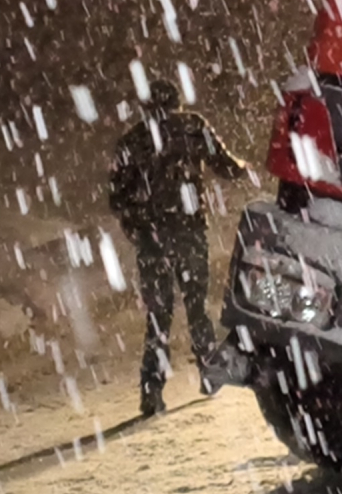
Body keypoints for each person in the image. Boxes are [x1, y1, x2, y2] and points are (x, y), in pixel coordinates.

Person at [107, 76, 249, 417]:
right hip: (188, 231)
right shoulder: (191, 127)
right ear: (176, 102)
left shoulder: (133, 140)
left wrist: (137, 222)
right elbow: (225, 164)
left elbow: (116, 197)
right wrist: (245, 168)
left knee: (158, 315)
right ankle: (210, 374)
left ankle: (151, 390)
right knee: (197, 305)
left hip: (151, 238)